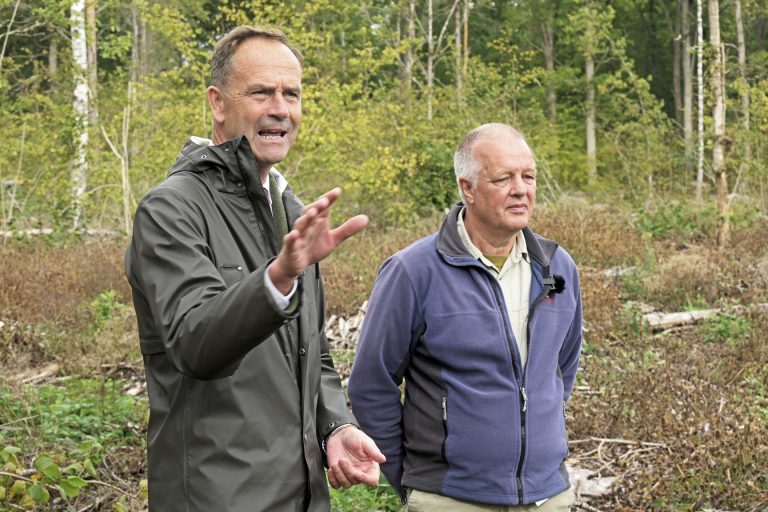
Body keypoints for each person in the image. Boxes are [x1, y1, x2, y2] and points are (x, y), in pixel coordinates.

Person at [124, 25, 384, 512]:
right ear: (218, 103)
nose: (280, 109)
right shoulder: (171, 210)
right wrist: (277, 279)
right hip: (215, 498)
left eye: (291, 94)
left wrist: (335, 424)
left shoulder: (290, 210)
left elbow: (312, 355)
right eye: (261, 92)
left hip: (302, 497)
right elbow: (197, 345)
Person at [348, 123, 582, 511]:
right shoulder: (413, 271)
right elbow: (371, 385)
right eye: (503, 178)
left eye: (528, 176)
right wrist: (414, 482)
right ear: (468, 188)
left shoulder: (557, 267)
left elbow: (561, 370)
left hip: (547, 496)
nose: (521, 189)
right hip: (450, 500)